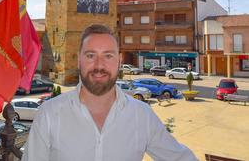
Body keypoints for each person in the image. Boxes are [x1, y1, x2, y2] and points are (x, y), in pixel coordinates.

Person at [21, 24, 197, 161]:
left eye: (108, 55)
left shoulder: (141, 115)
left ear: (119, 61)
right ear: (79, 60)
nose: (99, 65)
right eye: (90, 55)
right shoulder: (50, 114)